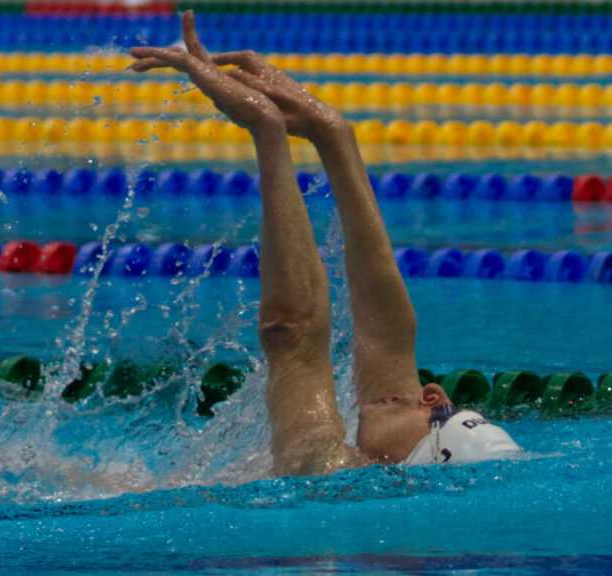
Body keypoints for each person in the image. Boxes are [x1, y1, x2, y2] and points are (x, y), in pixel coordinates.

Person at [131, 12, 522, 476]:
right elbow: (386, 335)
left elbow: (290, 331)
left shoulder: (325, 470)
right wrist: (333, 134)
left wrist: (268, 131)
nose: (427, 393)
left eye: (438, 412)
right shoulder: (385, 470)